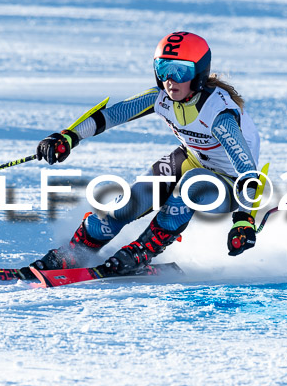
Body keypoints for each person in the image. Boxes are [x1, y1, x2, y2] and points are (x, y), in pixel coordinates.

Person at [18, 31, 261, 278]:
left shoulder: (219, 114)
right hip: (192, 159)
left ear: (198, 74)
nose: (170, 80)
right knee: (130, 201)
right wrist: (69, 136)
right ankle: (75, 252)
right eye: (163, 68)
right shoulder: (160, 97)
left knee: (192, 184)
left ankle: (141, 251)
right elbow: (112, 115)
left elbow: (247, 170)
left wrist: (244, 219)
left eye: (181, 71)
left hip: (230, 184)